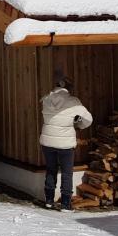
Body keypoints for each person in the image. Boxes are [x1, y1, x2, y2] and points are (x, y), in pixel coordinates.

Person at [40, 70, 92, 211]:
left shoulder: (46, 100)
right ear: (68, 88)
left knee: (51, 170)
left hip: (47, 142)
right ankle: (65, 204)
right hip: (65, 144)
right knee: (67, 173)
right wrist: (78, 124)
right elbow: (88, 119)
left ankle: (49, 200)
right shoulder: (73, 102)